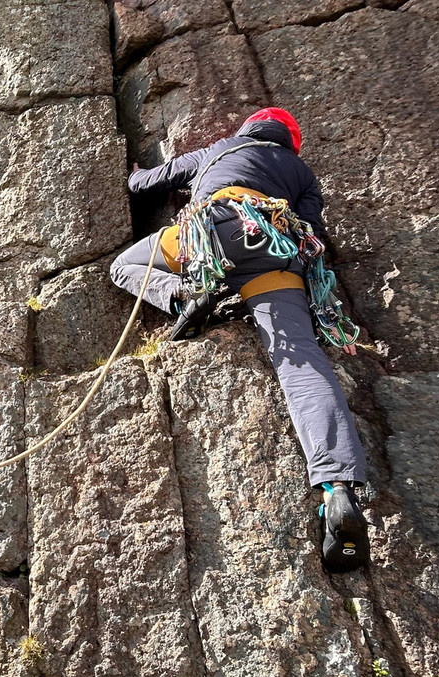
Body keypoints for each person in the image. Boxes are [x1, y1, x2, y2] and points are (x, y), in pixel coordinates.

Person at [109, 108, 369, 572]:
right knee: (302, 364)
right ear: (290, 142)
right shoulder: (300, 172)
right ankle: (338, 489)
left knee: (124, 265)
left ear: (249, 129)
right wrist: (324, 307)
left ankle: (184, 296)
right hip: (276, 248)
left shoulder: (219, 149)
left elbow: (149, 183)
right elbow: (315, 237)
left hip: (214, 233)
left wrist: (135, 174)